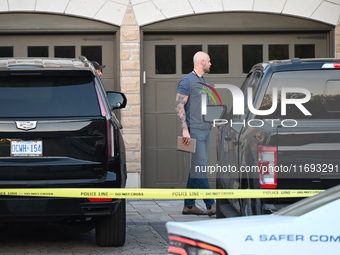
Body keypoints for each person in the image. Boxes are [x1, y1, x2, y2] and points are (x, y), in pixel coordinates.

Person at [175, 51, 216, 216]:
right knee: (200, 167)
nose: (211, 64)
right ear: (202, 61)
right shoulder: (187, 81)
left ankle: (189, 205)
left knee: (195, 168)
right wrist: (185, 129)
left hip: (206, 130)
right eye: (209, 61)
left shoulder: (205, 81)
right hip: (195, 131)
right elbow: (179, 106)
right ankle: (211, 204)